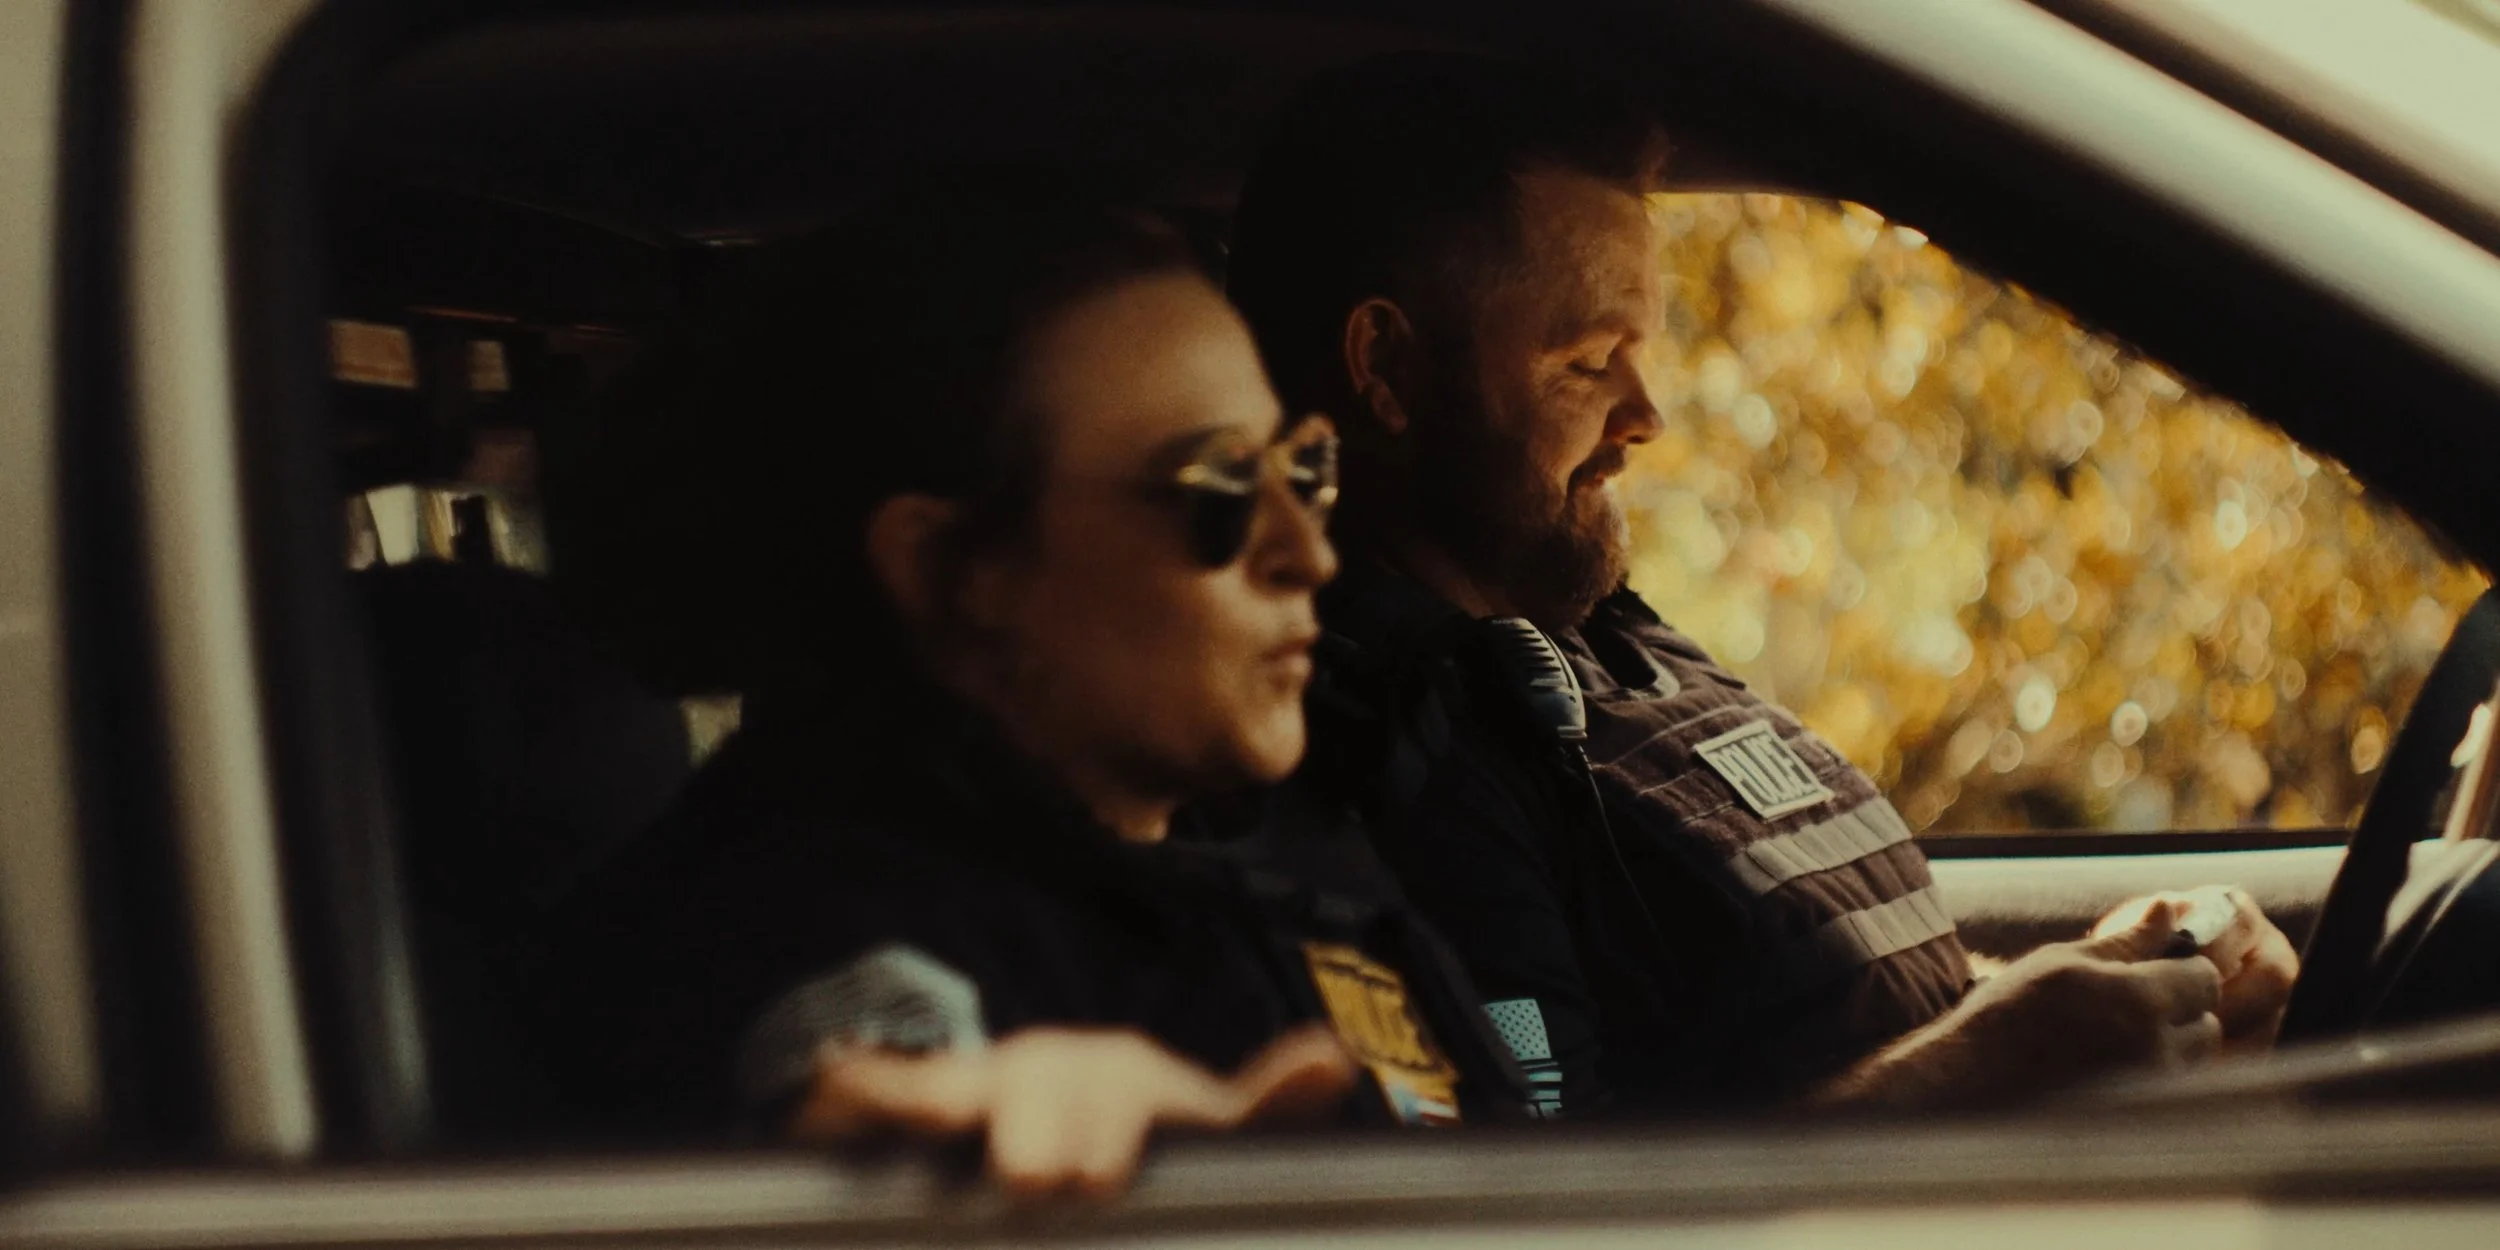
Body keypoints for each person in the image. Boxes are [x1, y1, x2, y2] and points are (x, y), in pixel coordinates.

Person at [1224, 53, 2298, 1118]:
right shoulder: (1398, 770)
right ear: (1387, 369)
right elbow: (1539, 1199)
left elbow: (1806, 1005)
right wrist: (1981, 1070)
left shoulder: (1599, 634)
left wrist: (2091, 989)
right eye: (1589, 358)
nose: (1647, 412)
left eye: (1642, 349)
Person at [531, 191, 1529, 1195]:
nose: (1308, 552)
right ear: (956, 568)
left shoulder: (1276, 853)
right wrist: (928, 1163)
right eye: (1218, 491)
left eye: (1301, 469)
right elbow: (841, 1068)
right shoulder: (783, 929)